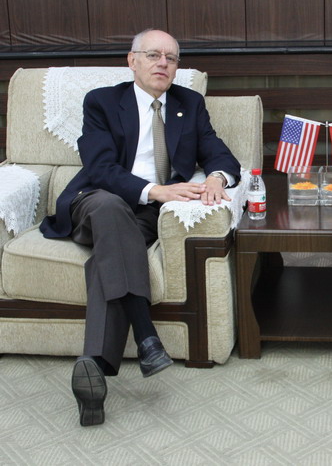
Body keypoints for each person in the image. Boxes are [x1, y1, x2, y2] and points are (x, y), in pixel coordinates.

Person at [40, 29, 241, 426]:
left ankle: (95, 368)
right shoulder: (101, 102)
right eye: (153, 55)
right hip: (95, 200)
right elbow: (100, 167)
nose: (163, 63)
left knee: (111, 256)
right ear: (132, 61)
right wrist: (156, 191)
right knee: (111, 208)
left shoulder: (189, 104)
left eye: (171, 58)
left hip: (146, 217)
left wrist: (217, 177)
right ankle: (146, 332)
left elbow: (218, 153)